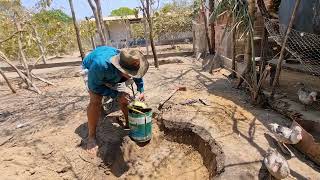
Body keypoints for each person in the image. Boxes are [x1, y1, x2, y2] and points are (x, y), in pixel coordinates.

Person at [82, 46, 149, 154]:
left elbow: (136, 73)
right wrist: (116, 94)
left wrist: (141, 89)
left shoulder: (129, 60)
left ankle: (128, 124)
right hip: (92, 70)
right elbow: (94, 87)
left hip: (113, 73)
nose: (133, 76)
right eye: (130, 74)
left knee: (125, 99)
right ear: (120, 68)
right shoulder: (100, 65)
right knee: (95, 102)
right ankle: (91, 136)